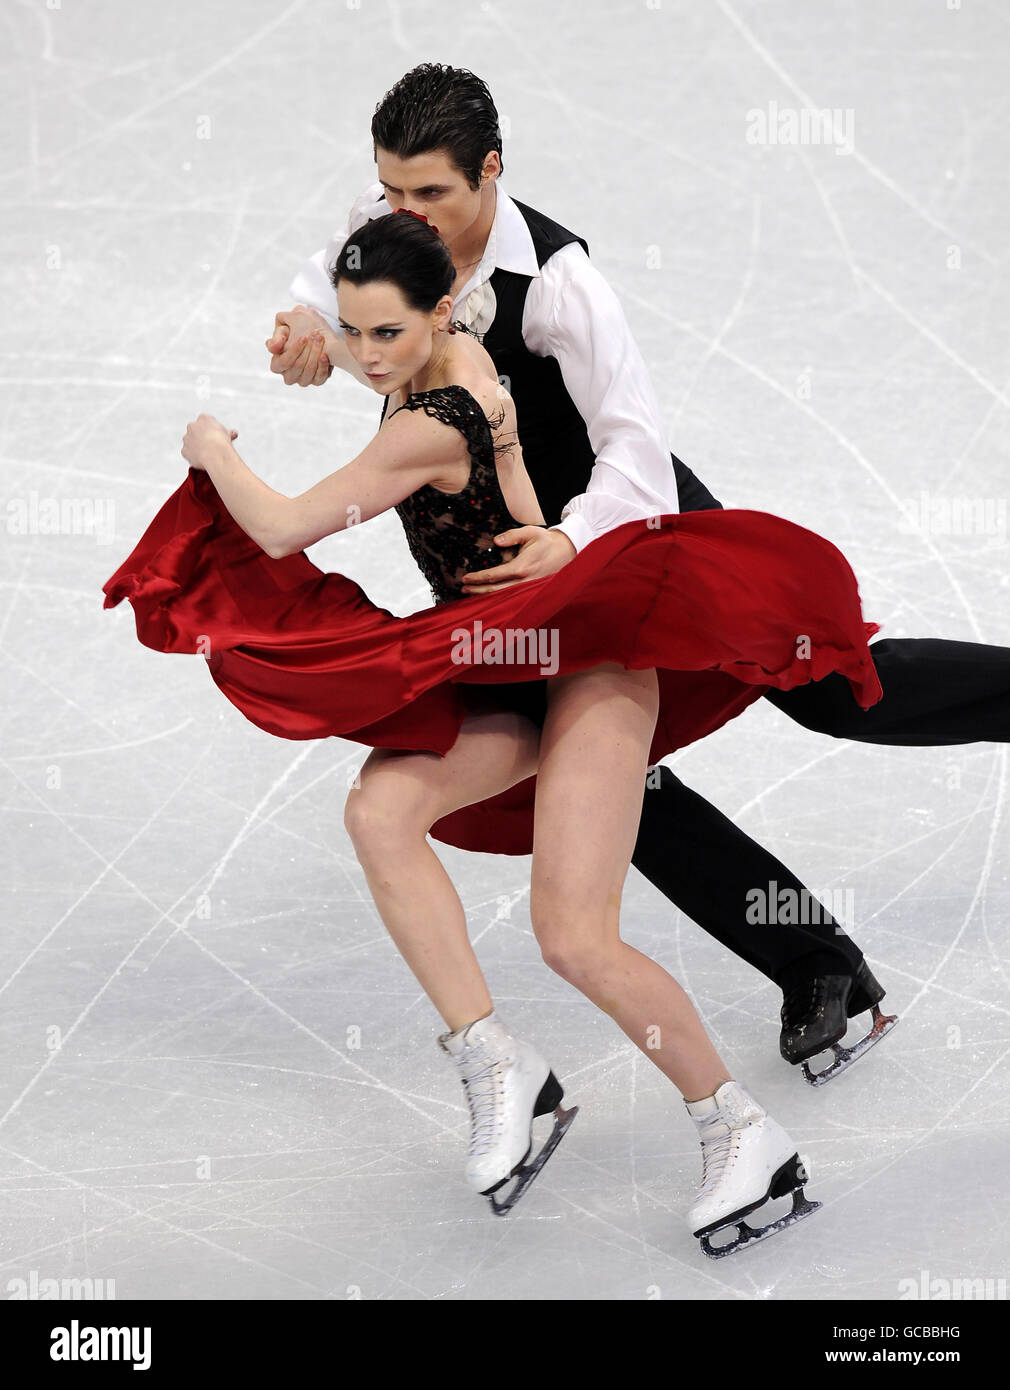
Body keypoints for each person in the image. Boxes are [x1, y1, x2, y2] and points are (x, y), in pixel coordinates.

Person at [102, 209, 881, 1254]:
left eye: (387, 335)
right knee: (381, 810)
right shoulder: (452, 347)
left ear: (434, 314)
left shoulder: (432, 421)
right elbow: (371, 344)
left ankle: (739, 1132)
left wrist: (208, 447)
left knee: (571, 935)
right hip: (506, 654)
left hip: (586, 668)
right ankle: (497, 1063)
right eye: (356, 333)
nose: (368, 358)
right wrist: (323, 343)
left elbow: (283, 525)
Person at [269, 63, 1010, 1084]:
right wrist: (307, 331)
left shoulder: (560, 286)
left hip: (625, 538)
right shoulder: (391, 219)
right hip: (514, 578)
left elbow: (635, 450)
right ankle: (816, 962)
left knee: (834, 693)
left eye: (431, 193)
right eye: (391, 191)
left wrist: (570, 541)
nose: (406, 214)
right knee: (612, 784)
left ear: (490, 171)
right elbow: (330, 287)